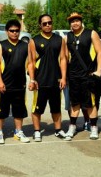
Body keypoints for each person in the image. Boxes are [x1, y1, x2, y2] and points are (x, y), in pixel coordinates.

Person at [28, 14, 68, 142]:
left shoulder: (59, 40)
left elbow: (63, 59)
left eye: (49, 23)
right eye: (44, 23)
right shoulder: (34, 40)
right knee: (37, 108)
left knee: (56, 108)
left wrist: (63, 77)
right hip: (40, 81)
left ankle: (58, 130)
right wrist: (32, 79)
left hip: (55, 80)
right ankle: (37, 131)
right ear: (40, 25)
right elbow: (31, 62)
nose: (47, 25)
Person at [64, 12, 101, 140]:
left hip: (88, 74)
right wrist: (64, 76)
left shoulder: (91, 33)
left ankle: (93, 127)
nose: (75, 23)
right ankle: (72, 126)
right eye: (72, 21)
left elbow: (100, 52)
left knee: (90, 103)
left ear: (81, 21)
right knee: (74, 102)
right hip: (73, 75)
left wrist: (98, 70)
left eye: (77, 20)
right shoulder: (67, 37)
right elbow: (64, 58)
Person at [0, 20, 32, 144]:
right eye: (12, 31)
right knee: (1, 110)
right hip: (5, 84)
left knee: (19, 110)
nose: (14, 33)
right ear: (7, 31)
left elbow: (30, 63)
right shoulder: (1, 45)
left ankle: (18, 132)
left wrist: (32, 79)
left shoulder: (25, 45)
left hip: (20, 83)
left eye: (17, 31)